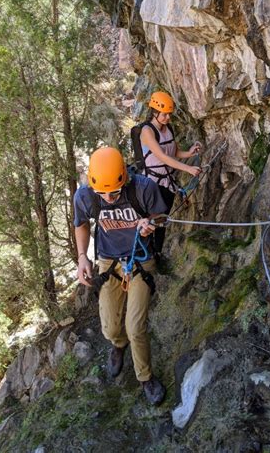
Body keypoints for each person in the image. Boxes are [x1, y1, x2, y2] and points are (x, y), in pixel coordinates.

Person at [75, 146, 168, 405]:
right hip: (108, 260)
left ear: (125, 178)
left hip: (140, 259)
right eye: (102, 193)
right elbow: (81, 224)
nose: (109, 198)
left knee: (135, 327)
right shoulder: (85, 197)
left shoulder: (142, 188)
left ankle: (145, 377)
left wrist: (151, 224)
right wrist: (83, 256)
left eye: (114, 192)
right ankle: (118, 345)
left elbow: (161, 216)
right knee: (111, 328)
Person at [140, 91, 202, 255]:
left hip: (167, 182)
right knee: (152, 221)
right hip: (152, 184)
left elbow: (173, 152)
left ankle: (157, 253)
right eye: (165, 114)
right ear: (155, 112)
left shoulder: (168, 129)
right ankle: (146, 254)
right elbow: (162, 157)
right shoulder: (147, 131)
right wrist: (188, 168)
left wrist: (189, 153)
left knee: (163, 220)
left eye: (169, 114)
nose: (168, 118)